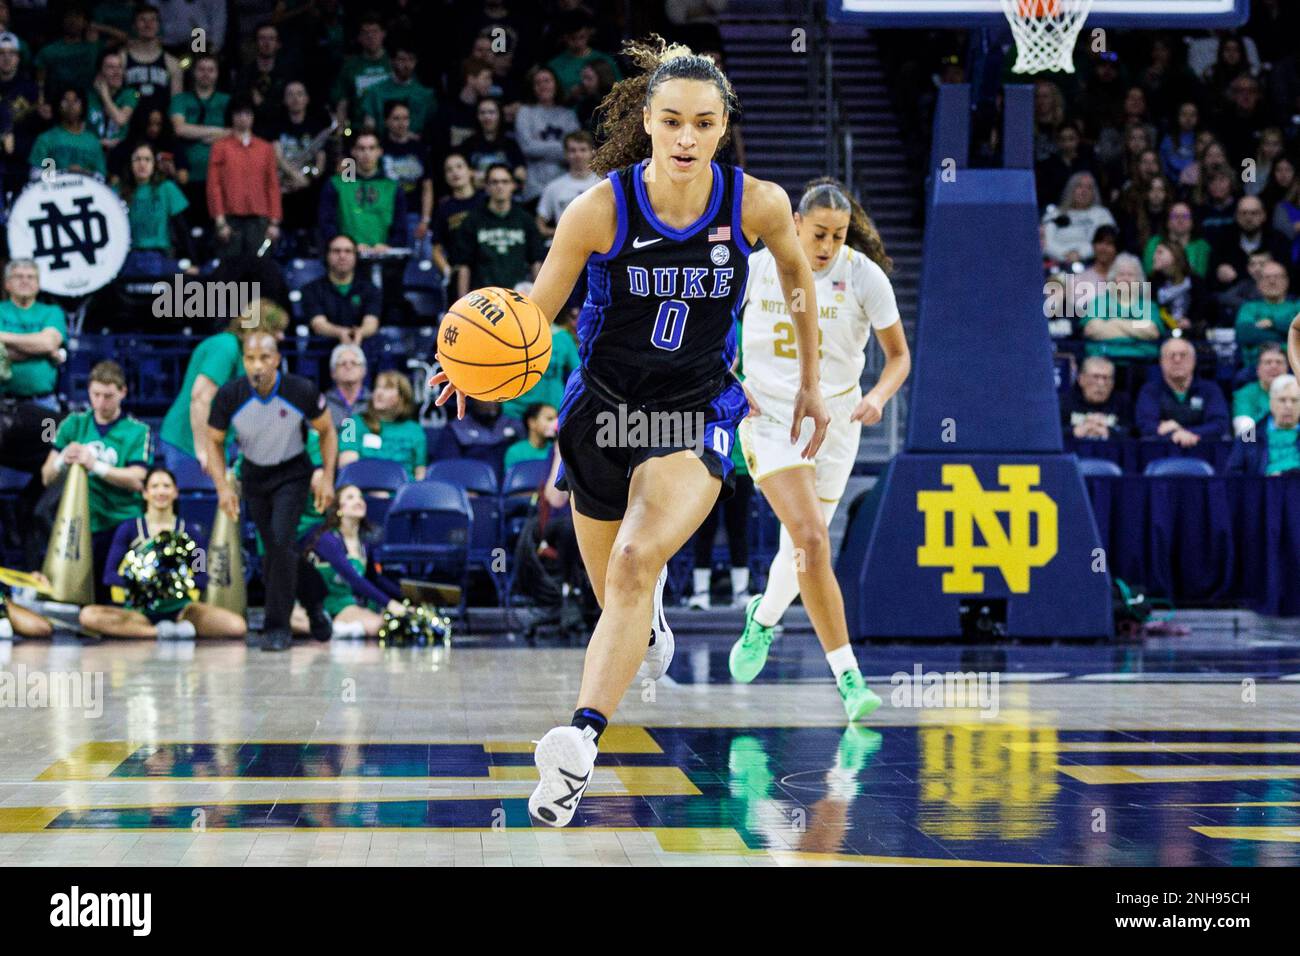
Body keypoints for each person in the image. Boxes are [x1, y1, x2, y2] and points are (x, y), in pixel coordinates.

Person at [430, 37, 833, 827]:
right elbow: (536, 313)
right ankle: (644, 620)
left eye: (704, 123)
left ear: (724, 128)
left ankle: (579, 745)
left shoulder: (758, 205)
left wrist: (813, 383)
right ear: (647, 120)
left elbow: (795, 278)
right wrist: (473, 367)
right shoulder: (599, 209)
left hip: (695, 411)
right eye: (673, 120)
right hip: (602, 413)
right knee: (613, 587)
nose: (687, 137)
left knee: (634, 559)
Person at [729, 177, 910, 701]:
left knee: (803, 546)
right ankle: (849, 678)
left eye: (839, 234)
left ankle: (762, 618)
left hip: (837, 422)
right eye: (820, 234)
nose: (828, 246)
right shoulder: (758, 266)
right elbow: (709, 330)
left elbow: (899, 356)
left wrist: (877, 397)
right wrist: (731, 381)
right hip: (770, 417)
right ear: (796, 226)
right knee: (811, 538)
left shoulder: (864, 276)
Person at [205, 332, 336, 651]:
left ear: (276, 360)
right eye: (250, 358)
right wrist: (223, 487)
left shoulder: (299, 390)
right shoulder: (229, 395)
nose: (257, 365)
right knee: (277, 550)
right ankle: (315, 601)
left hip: (292, 472)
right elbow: (214, 441)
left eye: (264, 358)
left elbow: (327, 431)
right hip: (254, 475)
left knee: (279, 540)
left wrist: (329, 477)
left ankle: (278, 627)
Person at [78, 467, 247, 639]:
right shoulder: (128, 529)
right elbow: (109, 575)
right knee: (88, 616)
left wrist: (172, 584)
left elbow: (202, 576)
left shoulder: (191, 532)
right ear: (145, 493)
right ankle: (159, 632)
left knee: (237, 626)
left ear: (175, 492)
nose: (161, 491)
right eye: (155, 486)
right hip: (139, 612)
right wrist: (144, 583)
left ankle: (164, 630)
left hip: (182, 609)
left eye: (166, 486)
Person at [38, 360, 150, 599]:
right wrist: (62, 460)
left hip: (120, 522)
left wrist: (95, 465)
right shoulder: (73, 424)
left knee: (108, 595)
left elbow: (137, 479)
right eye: (95, 394)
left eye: (108, 396)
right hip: (80, 524)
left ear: (123, 392)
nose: (101, 402)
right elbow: (47, 476)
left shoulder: (137, 431)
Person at [157, 300, 289, 472]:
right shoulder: (226, 346)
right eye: (276, 330)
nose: (281, 337)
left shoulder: (245, 356)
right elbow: (200, 398)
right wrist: (205, 451)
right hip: (187, 445)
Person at [299, 485, 405, 639]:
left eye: (360, 497)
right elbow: (353, 578)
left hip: (343, 604)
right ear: (338, 508)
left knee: (379, 624)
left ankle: (333, 629)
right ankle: (329, 629)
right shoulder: (327, 539)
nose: (358, 501)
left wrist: (404, 596)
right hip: (318, 604)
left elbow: (374, 579)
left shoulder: (364, 545)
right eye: (350, 497)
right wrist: (389, 604)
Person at [450, 162, 545, 299]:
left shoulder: (525, 220)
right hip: (482, 299)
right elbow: (464, 265)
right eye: (494, 182)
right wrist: (462, 302)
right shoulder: (472, 221)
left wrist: (540, 301)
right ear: (487, 187)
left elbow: (536, 261)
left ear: (513, 185)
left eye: (505, 181)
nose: (500, 186)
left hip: (517, 297)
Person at [207, 96, 281, 259]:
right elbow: (214, 186)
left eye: (247, 113)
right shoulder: (220, 147)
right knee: (229, 271)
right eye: (239, 113)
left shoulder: (265, 148)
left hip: (259, 220)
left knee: (260, 270)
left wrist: (274, 222)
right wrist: (220, 222)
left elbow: (273, 186)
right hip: (230, 219)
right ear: (232, 116)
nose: (243, 118)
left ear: (253, 117)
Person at [318, 130, 408, 254]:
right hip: (345, 257)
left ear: (379, 151)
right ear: (353, 151)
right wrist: (347, 246)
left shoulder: (392, 187)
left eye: (372, 148)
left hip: (384, 256)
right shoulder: (336, 184)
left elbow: (401, 228)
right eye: (361, 148)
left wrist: (388, 246)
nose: (367, 153)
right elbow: (327, 224)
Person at [1135, 337, 1230, 446]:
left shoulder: (1210, 390)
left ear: (1194, 361)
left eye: (1183, 355)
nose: (1177, 360)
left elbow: (1219, 424)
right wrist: (1176, 436)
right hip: (1160, 452)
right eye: (1171, 356)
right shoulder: (1150, 391)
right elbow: (1145, 425)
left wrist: (1185, 432)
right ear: (1161, 362)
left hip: (1204, 451)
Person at [117, 142, 191, 278]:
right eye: (137, 159)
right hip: (128, 256)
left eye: (147, 159)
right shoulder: (119, 191)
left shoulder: (167, 188)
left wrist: (193, 261)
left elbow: (183, 228)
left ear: (154, 164)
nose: (142, 164)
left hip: (160, 255)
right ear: (130, 163)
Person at [169, 53, 229, 219]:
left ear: (217, 74)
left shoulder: (227, 101)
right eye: (201, 69)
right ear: (194, 72)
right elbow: (180, 129)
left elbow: (237, 132)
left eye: (211, 70)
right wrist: (219, 132)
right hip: (187, 177)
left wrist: (195, 132)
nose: (206, 73)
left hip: (220, 177)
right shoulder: (180, 99)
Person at [0, 260, 65, 412]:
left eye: (31, 277)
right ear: (7, 284)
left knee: (48, 437)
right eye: (18, 277)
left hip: (45, 403)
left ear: (38, 284)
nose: (25, 281)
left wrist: (3, 337)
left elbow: (48, 343)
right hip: (3, 404)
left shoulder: (52, 312)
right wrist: (44, 353)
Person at [338, 370, 426, 481]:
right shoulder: (351, 423)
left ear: (402, 398)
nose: (379, 392)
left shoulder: (415, 430)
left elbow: (420, 473)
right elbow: (347, 468)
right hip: (364, 492)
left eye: (387, 388)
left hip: (403, 494)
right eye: (377, 387)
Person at [515, 65, 580, 204]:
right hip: (534, 188)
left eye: (547, 81)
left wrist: (540, 148)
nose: (543, 86)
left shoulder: (568, 115)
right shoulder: (525, 112)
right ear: (532, 88)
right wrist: (561, 147)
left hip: (565, 186)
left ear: (556, 84)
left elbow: (575, 149)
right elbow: (527, 148)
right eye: (538, 82)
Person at [302, 235, 381, 344]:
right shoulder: (311, 290)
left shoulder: (370, 289)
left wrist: (360, 333)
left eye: (348, 251)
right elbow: (318, 324)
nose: (342, 256)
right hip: (322, 354)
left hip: (361, 353)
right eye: (336, 251)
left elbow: (371, 323)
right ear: (327, 255)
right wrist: (340, 333)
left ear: (355, 256)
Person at [1225, 374, 1300, 475]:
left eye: (1294, 400)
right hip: (1264, 488)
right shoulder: (1250, 436)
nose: (1288, 406)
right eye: (1282, 400)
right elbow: (1233, 475)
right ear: (1271, 403)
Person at [359, 42, 435, 136]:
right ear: (391, 61)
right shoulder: (375, 91)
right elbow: (369, 126)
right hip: (383, 146)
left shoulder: (425, 94)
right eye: (402, 59)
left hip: (417, 147)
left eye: (411, 59)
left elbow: (432, 128)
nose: (407, 65)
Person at [1041, 172, 1116, 267]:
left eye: (1089, 188)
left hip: (1092, 263)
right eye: (1079, 186)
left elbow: (1106, 241)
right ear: (1071, 190)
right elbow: (1045, 242)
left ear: (1094, 193)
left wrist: (1080, 254)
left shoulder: (1102, 214)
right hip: (1057, 263)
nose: (1084, 191)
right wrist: (1064, 255)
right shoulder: (1054, 214)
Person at [28, 86, 105, 177]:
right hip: (55, 189)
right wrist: (65, 172)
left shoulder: (93, 141)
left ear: (83, 106)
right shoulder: (47, 139)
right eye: (65, 101)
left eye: (76, 101)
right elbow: (35, 174)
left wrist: (83, 172)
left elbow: (101, 177)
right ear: (58, 105)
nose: (71, 106)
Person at [537, 130, 600, 240]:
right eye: (572, 150)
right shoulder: (553, 187)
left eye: (583, 150)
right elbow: (540, 224)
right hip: (564, 247)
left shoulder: (603, 183)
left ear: (592, 152)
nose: (578, 155)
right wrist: (561, 233)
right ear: (566, 154)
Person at [122, 3, 181, 120]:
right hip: (128, 125)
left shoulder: (172, 63)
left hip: (161, 126)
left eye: (153, 20)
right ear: (134, 25)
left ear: (159, 25)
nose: (148, 25)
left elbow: (176, 105)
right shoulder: (121, 58)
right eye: (142, 20)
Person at [1234, 259, 1298, 367]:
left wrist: (1272, 323)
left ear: (1287, 281)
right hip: (1254, 369)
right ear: (1258, 284)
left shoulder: (1297, 306)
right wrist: (1288, 334)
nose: (1272, 281)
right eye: (1267, 277)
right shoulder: (1249, 307)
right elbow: (1244, 334)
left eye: (1277, 276)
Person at [430, 152, 483, 281]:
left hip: (486, 270)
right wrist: (448, 271)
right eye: (449, 170)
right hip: (459, 273)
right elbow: (436, 249)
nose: (455, 172)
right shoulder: (444, 208)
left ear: (470, 171)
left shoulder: (485, 201)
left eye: (459, 167)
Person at [1061, 355, 1133, 440]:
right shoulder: (1064, 401)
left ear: (1113, 382)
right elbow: (1051, 433)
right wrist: (1074, 431)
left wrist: (1109, 432)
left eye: (1106, 378)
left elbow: (1132, 433)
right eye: (1095, 377)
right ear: (1081, 379)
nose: (1101, 384)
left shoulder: (1123, 402)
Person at [85, 49, 137, 155]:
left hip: (120, 152)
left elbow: (121, 119)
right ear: (99, 73)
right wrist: (99, 143)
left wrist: (105, 95)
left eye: (119, 67)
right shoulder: (87, 97)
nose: (117, 72)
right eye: (111, 67)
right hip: (91, 150)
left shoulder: (129, 94)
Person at [1233, 343, 1289, 435]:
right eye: (1268, 362)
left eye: (1279, 362)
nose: (1274, 366)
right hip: (1259, 446)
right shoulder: (1245, 394)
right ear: (1258, 369)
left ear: (1287, 368)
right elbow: (1244, 429)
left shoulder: (1296, 391)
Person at [324, 343, 371, 429]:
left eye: (354, 363)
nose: (348, 367)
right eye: (342, 363)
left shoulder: (374, 403)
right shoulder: (322, 405)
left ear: (364, 370)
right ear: (333, 372)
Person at [503, 402, 557, 472]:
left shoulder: (556, 449)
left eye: (556, 419)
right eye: (549, 419)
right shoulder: (515, 452)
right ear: (532, 422)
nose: (555, 423)